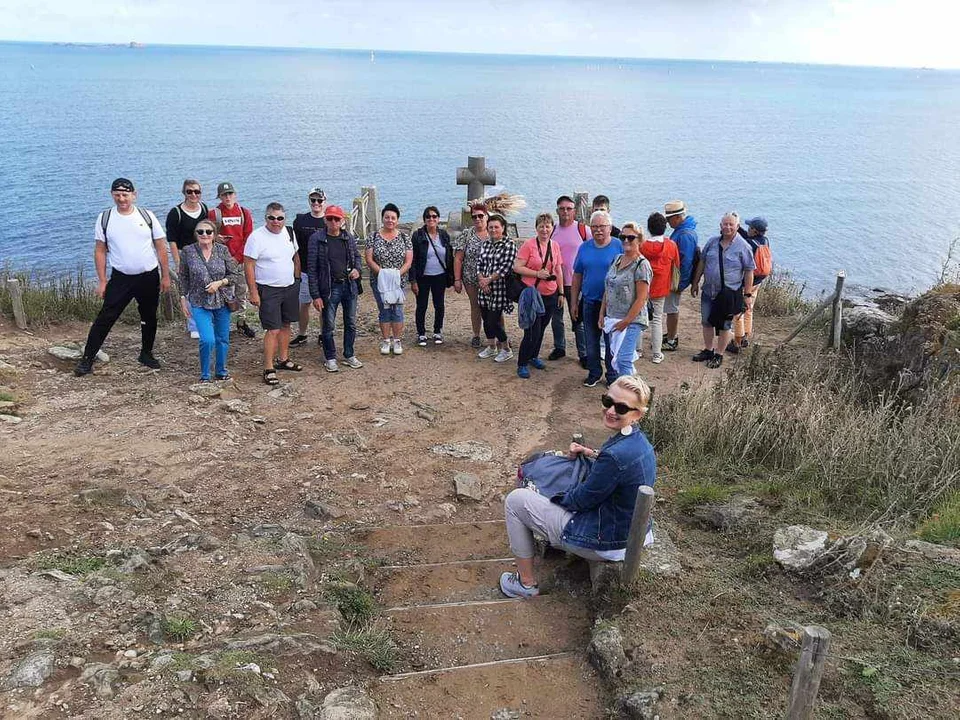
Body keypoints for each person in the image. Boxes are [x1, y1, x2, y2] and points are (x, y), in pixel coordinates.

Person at [498, 375, 656, 598]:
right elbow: (615, 470)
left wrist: (546, 493)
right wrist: (591, 453)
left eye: (621, 407)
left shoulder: (615, 455)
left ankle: (525, 584)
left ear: (638, 414)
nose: (611, 410)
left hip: (608, 542)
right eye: (607, 401)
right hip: (630, 531)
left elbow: (580, 500)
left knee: (516, 500)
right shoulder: (639, 442)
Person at [75, 178, 171, 376]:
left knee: (149, 316)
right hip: (121, 278)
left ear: (134, 195)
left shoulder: (147, 216)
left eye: (125, 195)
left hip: (148, 276)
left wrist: (165, 275)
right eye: (117, 195)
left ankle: (146, 353)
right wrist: (102, 281)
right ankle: (87, 359)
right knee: (105, 318)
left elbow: (161, 246)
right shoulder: (105, 218)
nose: (121, 199)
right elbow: (100, 251)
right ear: (112, 195)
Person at [244, 203, 303, 385]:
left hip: (289, 286)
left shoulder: (289, 232)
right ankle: (268, 367)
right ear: (266, 218)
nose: (276, 222)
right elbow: (248, 265)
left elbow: (295, 256)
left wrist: (297, 277)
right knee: (273, 329)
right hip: (268, 289)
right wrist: (253, 292)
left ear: (284, 218)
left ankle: (283, 359)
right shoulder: (257, 237)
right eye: (272, 218)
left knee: (286, 324)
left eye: (280, 218)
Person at [178, 219, 242, 381]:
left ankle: (221, 371)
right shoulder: (188, 251)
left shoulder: (222, 250)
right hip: (199, 301)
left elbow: (234, 275)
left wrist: (220, 283)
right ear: (196, 234)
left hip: (222, 300)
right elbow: (183, 277)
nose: (204, 235)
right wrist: (183, 298)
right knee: (207, 339)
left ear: (214, 235)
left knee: (222, 338)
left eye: (208, 232)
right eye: (200, 232)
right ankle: (205, 374)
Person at [689, 212, 755, 369]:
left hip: (728, 293)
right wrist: (696, 282)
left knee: (725, 325)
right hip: (708, 291)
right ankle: (708, 349)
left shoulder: (744, 247)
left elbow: (749, 271)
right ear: (720, 226)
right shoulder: (712, 243)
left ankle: (719, 354)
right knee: (706, 321)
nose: (728, 227)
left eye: (731, 224)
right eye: (725, 224)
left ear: (737, 227)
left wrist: (747, 295)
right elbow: (703, 262)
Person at [306, 205, 363, 373]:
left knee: (350, 323)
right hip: (329, 288)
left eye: (336, 219)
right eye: (330, 218)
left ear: (342, 221)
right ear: (325, 219)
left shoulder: (348, 238)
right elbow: (312, 269)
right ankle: (330, 357)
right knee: (329, 325)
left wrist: (357, 270)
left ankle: (349, 354)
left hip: (349, 286)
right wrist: (315, 295)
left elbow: (357, 257)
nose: (333, 222)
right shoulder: (316, 239)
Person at [571, 210, 623, 387]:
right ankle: (594, 372)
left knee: (611, 341)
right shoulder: (584, 247)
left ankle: (612, 375)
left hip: (612, 304)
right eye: (594, 227)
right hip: (589, 301)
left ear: (610, 228)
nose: (598, 230)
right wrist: (574, 302)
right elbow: (577, 275)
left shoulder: (619, 246)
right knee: (591, 339)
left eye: (602, 226)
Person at [600, 224, 652, 384]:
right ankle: (626, 389)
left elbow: (641, 298)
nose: (626, 240)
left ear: (640, 240)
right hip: (612, 318)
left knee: (623, 359)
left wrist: (626, 321)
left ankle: (631, 394)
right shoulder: (617, 259)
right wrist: (602, 313)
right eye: (623, 237)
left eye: (631, 237)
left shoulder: (642, 265)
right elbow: (608, 288)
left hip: (632, 321)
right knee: (614, 359)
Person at [514, 212, 564, 378]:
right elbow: (517, 267)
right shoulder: (529, 245)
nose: (544, 229)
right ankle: (522, 363)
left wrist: (561, 292)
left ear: (552, 228)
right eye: (541, 226)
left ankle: (533, 356)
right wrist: (536, 274)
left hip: (551, 293)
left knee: (542, 328)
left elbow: (558, 269)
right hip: (533, 294)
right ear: (536, 228)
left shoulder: (555, 246)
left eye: (547, 226)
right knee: (531, 331)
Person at [209, 181, 256, 339]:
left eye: (230, 194)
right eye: (224, 194)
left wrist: (237, 257)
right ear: (220, 196)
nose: (227, 197)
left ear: (235, 195)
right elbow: (206, 235)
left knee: (241, 292)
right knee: (223, 293)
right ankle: (222, 325)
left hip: (240, 260)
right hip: (221, 262)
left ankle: (241, 322)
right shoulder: (214, 214)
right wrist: (216, 237)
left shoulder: (244, 213)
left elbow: (249, 238)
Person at [366, 203, 413, 356]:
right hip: (379, 280)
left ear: (397, 220)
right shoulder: (373, 237)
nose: (390, 220)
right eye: (387, 217)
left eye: (393, 218)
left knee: (398, 310)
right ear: (382, 218)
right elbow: (369, 259)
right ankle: (386, 340)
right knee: (384, 310)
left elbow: (408, 261)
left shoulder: (405, 238)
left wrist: (396, 275)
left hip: (399, 280)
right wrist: (383, 275)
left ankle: (397, 339)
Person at [549, 196, 591, 366]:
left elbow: (594, 249)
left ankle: (584, 353)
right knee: (556, 318)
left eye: (569, 208)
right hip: (555, 282)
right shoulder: (551, 230)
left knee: (578, 318)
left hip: (576, 282)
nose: (565, 212)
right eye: (562, 208)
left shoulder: (583, 230)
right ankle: (559, 347)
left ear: (574, 211)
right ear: (557, 210)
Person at [165, 179, 209, 339]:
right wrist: (177, 261)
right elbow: (172, 239)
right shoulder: (175, 213)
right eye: (189, 191)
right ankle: (193, 325)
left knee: (205, 286)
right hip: (186, 254)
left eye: (197, 191)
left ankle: (205, 321)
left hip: (204, 252)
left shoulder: (204, 209)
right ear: (184, 193)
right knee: (189, 290)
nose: (193, 194)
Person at [639, 213, 680, 364]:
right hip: (661, 288)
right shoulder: (671, 245)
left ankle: (638, 350)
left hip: (642, 287)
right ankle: (656, 354)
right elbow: (676, 265)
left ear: (649, 228)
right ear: (665, 227)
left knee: (639, 319)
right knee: (657, 320)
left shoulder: (642, 246)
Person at [476, 214, 518, 363]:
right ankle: (491, 346)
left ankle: (506, 348)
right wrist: (482, 280)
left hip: (499, 289)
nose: (493, 230)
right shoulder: (485, 244)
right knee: (485, 317)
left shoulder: (509, 244)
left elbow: (506, 267)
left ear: (503, 228)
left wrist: (488, 280)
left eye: (496, 227)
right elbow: (479, 263)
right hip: (483, 288)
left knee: (493, 321)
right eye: (491, 227)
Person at [410, 205, 454, 346]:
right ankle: (421, 333)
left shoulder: (444, 235)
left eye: (434, 216)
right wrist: (413, 280)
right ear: (424, 219)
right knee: (421, 305)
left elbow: (449, 255)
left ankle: (437, 331)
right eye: (428, 216)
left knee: (439, 305)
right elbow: (413, 259)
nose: (431, 219)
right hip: (423, 276)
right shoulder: (418, 236)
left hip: (439, 276)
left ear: (438, 219)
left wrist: (452, 275)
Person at [291, 187, 327, 347]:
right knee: (303, 303)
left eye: (319, 200)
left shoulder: (330, 220)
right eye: (313, 200)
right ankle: (302, 333)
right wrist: (295, 270)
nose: (316, 203)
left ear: (324, 201)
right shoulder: (300, 221)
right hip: (305, 270)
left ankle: (323, 333)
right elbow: (294, 247)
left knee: (324, 305)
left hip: (324, 271)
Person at [729, 216, 770, 353]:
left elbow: (743, 243)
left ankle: (737, 342)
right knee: (749, 309)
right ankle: (746, 336)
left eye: (750, 227)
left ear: (755, 231)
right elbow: (747, 237)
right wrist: (738, 227)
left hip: (746, 282)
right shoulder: (764, 241)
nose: (747, 229)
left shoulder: (749, 244)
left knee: (738, 311)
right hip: (758, 281)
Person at [662, 200, 699, 352]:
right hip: (674, 277)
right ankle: (671, 333)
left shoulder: (684, 235)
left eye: (669, 219)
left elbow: (686, 262)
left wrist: (679, 284)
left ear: (677, 218)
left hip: (675, 279)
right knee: (671, 307)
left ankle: (672, 339)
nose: (668, 223)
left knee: (672, 308)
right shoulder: (684, 230)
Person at [452, 202, 489, 348]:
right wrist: (457, 279)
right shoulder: (467, 234)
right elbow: (458, 258)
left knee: (495, 307)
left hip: (490, 278)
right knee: (475, 306)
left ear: (486, 216)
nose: (478, 219)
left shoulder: (493, 231)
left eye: (481, 216)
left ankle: (500, 334)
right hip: (470, 277)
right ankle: (476, 335)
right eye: (475, 217)